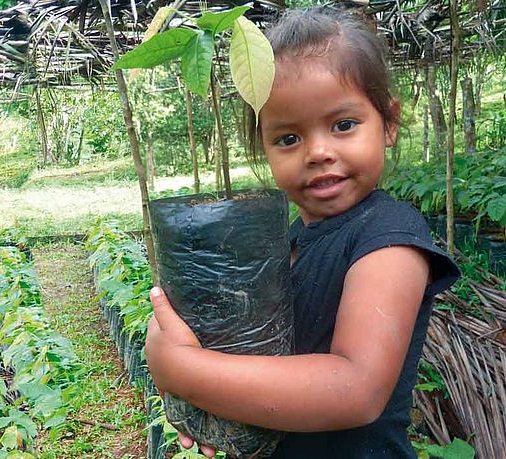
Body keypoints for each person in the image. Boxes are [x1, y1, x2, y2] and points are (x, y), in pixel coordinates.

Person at [145, 6, 460, 458]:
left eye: (343, 125)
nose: (317, 151)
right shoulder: (288, 240)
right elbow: (257, 357)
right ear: (263, 147)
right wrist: (211, 402)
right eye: (288, 138)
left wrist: (185, 371)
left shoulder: (390, 238)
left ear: (389, 123)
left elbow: (355, 390)